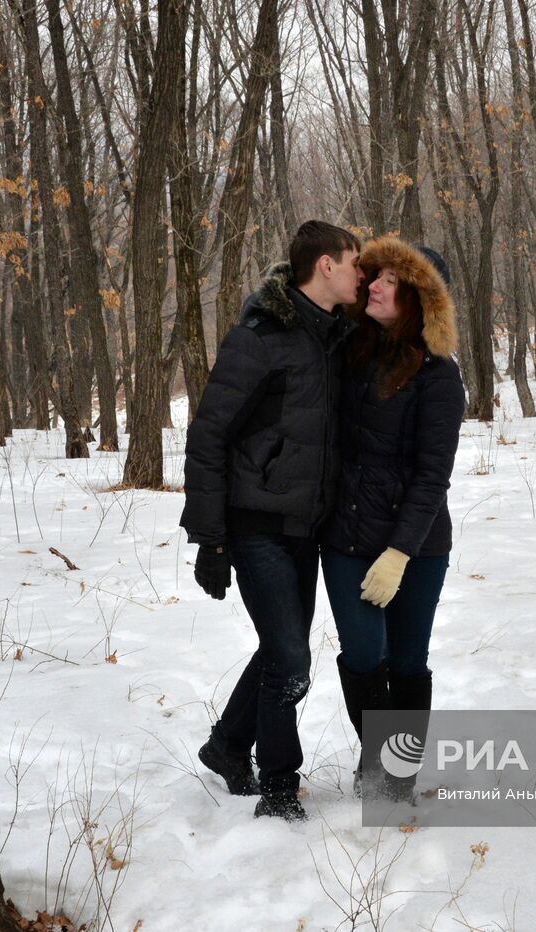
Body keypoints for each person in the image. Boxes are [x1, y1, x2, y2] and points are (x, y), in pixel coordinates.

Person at [180, 220, 364, 821]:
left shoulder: (337, 336)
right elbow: (208, 435)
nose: (361, 275)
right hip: (255, 524)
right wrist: (210, 539)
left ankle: (228, 746)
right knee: (290, 662)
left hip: (306, 528)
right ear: (326, 265)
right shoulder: (260, 337)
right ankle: (280, 787)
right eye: (355, 263)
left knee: (281, 651)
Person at [320, 236, 465, 801]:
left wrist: (400, 552)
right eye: (375, 276)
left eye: (391, 281)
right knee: (362, 657)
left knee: (407, 662)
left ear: (418, 301)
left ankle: (395, 778)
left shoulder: (438, 375)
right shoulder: (348, 348)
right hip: (347, 536)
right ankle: (379, 759)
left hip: (417, 547)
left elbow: (432, 476)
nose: (375, 285)